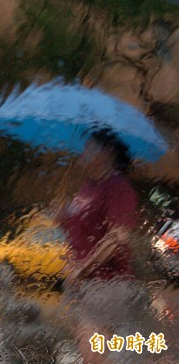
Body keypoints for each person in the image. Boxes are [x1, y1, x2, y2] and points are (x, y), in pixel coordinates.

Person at [57, 129, 146, 363]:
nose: (83, 153)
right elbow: (81, 231)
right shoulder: (88, 186)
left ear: (107, 152)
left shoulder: (117, 187)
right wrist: (62, 217)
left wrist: (82, 269)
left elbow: (117, 238)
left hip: (107, 285)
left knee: (93, 355)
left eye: (89, 148)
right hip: (84, 284)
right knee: (97, 353)